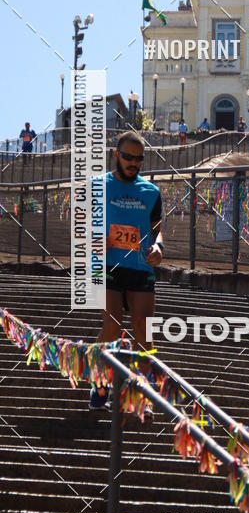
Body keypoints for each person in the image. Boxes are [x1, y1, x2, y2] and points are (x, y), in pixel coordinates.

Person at [89, 130, 164, 412]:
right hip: (106, 265)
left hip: (140, 267)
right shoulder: (98, 186)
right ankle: (99, 385)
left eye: (138, 159)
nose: (133, 163)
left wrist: (159, 249)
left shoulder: (151, 192)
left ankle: (142, 393)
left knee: (144, 331)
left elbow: (158, 232)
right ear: (115, 155)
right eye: (128, 157)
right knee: (112, 325)